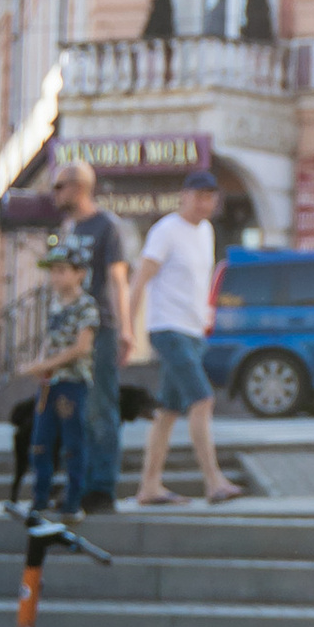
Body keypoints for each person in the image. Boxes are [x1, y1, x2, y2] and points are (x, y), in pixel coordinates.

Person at [131, 167, 241, 507]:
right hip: (168, 328)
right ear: (184, 196)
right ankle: (213, 481)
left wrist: (205, 318)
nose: (204, 204)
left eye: (210, 198)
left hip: (193, 331)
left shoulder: (206, 231)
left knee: (167, 412)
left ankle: (149, 486)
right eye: (198, 197)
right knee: (202, 399)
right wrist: (126, 329)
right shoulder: (166, 231)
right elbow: (140, 279)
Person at [50, 160, 132, 511]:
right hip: (73, 329)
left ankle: (102, 489)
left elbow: (118, 278)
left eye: (59, 186)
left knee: (100, 408)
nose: (55, 193)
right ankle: (78, 486)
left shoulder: (106, 226)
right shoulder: (68, 228)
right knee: (75, 410)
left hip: (100, 327)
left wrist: (127, 328)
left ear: (78, 187)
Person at [19, 233, 96, 517]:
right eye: (52, 271)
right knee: (41, 443)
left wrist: (47, 363)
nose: (55, 277)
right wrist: (40, 363)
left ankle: (73, 501)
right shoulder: (54, 304)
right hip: (49, 384)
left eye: (62, 271)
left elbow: (82, 347)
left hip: (72, 384)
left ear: (80, 274)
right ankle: (39, 499)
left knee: (73, 444)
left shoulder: (85, 306)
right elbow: (49, 340)